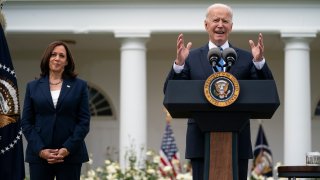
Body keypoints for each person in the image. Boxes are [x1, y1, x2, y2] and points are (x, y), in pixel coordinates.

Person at [163, 3, 274, 180]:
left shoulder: (246, 57)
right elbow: (171, 91)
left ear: (231, 26)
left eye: (225, 21)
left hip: (238, 140)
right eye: (215, 20)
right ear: (206, 25)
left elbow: (265, 91)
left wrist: (259, 63)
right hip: (200, 139)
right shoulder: (190, 57)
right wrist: (179, 65)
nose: (220, 24)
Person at [21, 41, 90, 180]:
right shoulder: (32, 87)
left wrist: (67, 149)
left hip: (70, 155)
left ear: (67, 61)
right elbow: (27, 122)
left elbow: (84, 122)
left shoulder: (80, 86)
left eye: (61, 55)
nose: (57, 58)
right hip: (39, 155)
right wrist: (41, 150)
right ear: (47, 58)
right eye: (53, 54)